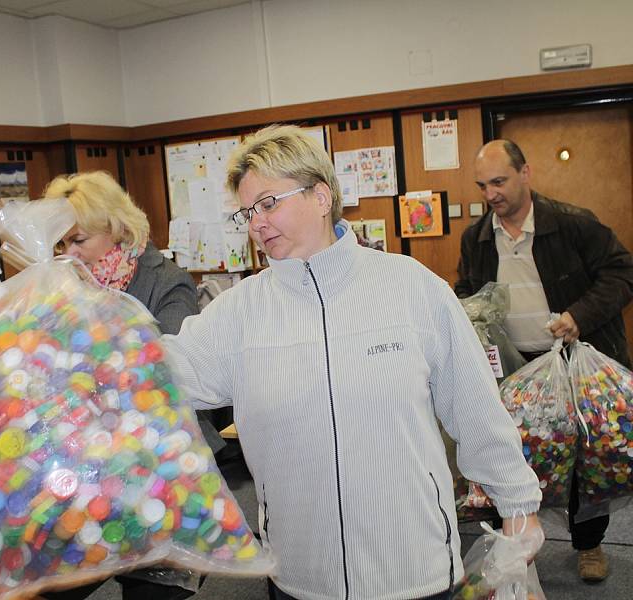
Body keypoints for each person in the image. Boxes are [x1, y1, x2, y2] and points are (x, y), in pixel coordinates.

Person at [161, 124, 544, 600]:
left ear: (322, 196)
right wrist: (84, 335)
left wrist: (518, 505)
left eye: (268, 203)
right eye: (246, 212)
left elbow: (475, 409)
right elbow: (162, 373)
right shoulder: (239, 311)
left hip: (413, 566)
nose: (256, 223)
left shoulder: (411, 288)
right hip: (301, 574)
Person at [0, 170, 219, 600]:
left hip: (158, 471)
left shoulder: (165, 281)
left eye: (79, 241)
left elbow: (161, 375)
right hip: (82, 474)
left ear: (116, 228)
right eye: (60, 244)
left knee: (156, 593)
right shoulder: (56, 288)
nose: (68, 254)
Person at [454, 139, 633, 582]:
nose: (490, 194)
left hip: (570, 365)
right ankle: (510, 541)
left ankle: (589, 543)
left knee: (580, 459)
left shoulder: (574, 224)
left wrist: (578, 316)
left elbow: (622, 272)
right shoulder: (477, 237)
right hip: (514, 371)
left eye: (499, 181)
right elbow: (468, 291)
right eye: (482, 185)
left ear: (525, 173)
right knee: (511, 454)